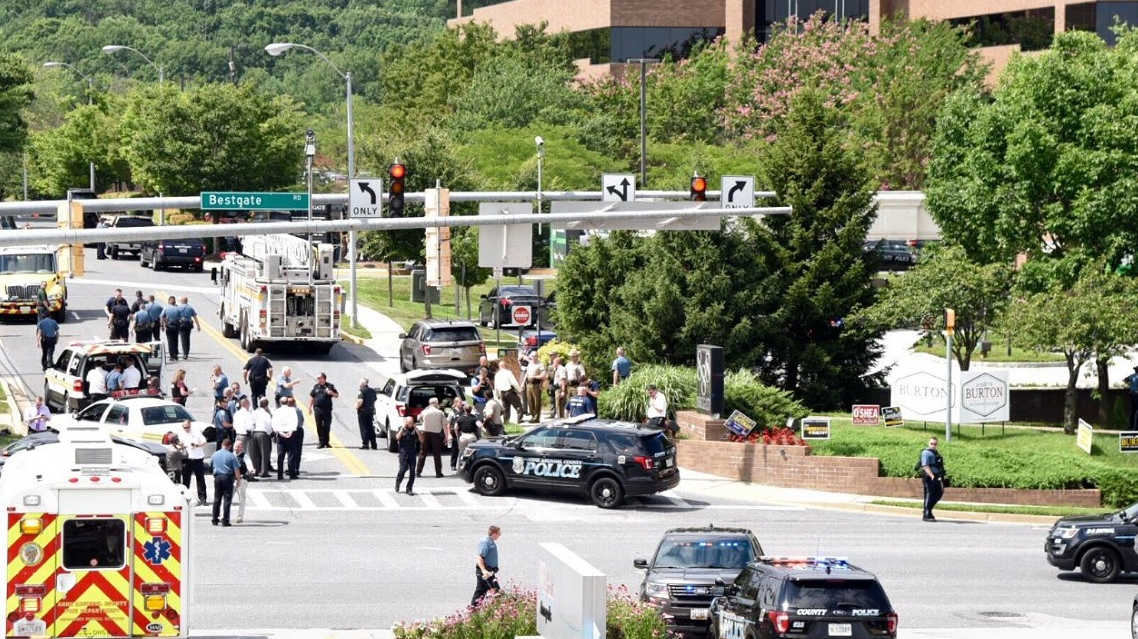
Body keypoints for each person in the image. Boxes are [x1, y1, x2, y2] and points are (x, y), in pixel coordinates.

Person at [210, 438, 241, 527]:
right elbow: (236, 470)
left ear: (222, 445)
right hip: (227, 477)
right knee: (227, 499)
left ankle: (214, 519)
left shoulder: (215, 454)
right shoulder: (231, 456)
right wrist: (238, 480)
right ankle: (225, 520)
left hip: (218, 477)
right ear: (230, 446)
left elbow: (211, 466)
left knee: (217, 499)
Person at [176, 420, 208, 506]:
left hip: (198, 458)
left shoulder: (196, 432)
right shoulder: (181, 434)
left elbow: (205, 442)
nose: (186, 429)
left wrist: (196, 445)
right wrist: (181, 446)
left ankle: (203, 498)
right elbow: (180, 445)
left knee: (200, 479)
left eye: (188, 427)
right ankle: (185, 498)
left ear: (190, 426)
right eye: (185, 427)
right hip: (187, 459)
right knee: (186, 479)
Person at [471, 525, 502, 607]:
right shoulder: (485, 542)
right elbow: (479, 557)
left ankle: (473, 610)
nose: (500, 535)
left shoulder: (491, 542)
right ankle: (497, 612)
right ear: (494, 533)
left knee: (481, 592)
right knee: (497, 593)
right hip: (485, 573)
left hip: (489, 572)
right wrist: (484, 570)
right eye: (499, 533)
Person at [272, 396, 302, 480]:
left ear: (280, 403)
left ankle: (280, 475)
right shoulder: (292, 410)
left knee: (280, 455)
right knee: (291, 454)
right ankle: (292, 474)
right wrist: (291, 432)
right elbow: (295, 422)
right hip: (290, 434)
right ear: (287, 402)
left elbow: (274, 423)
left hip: (281, 435)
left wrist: (280, 432)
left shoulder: (277, 411)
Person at [417, 397, 447, 478]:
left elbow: (418, 418)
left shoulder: (425, 411)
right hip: (436, 434)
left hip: (425, 433)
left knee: (423, 452)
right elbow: (444, 425)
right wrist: (446, 436)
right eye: (437, 403)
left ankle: (418, 471)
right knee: (437, 454)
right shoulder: (440, 412)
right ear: (435, 403)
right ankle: (438, 473)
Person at [309, 373, 339, 449]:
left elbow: (337, 395)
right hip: (318, 409)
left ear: (323, 378)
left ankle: (327, 442)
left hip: (327, 409)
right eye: (317, 378)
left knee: (326, 426)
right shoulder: (316, 386)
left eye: (319, 378)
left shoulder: (330, 386)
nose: (317, 379)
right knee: (319, 425)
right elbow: (312, 397)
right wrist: (309, 407)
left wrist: (331, 393)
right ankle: (321, 442)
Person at [919, 437, 945, 522]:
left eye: (935, 444)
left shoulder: (935, 452)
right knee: (929, 494)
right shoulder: (926, 452)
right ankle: (927, 514)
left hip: (936, 476)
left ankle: (928, 510)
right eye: (931, 444)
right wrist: (931, 475)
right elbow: (925, 466)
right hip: (929, 476)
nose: (933, 445)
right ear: (928, 443)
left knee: (939, 493)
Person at [394, 416, 420, 495]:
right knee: (403, 469)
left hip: (412, 451)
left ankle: (409, 488)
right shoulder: (402, 429)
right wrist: (403, 428)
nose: (411, 424)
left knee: (412, 471)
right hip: (403, 452)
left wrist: (417, 430)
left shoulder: (414, 430)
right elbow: (397, 437)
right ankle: (398, 482)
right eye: (409, 423)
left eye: (412, 423)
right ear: (406, 423)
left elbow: (422, 440)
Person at [250, 398, 275, 477]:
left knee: (255, 454)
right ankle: (264, 472)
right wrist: (269, 434)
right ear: (267, 405)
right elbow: (269, 426)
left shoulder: (255, 412)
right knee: (264, 453)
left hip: (254, 433)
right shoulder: (266, 414)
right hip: (263, 433)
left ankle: (256, 470)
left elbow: (252, 422)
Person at [493, 362, 524, 426]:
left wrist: (497, 394)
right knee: (518, 405)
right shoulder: (508, 373)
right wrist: (519, 389)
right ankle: (519, 419)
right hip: (509, 392)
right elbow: (514, 382)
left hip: (502, 393)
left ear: (499, 366)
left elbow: (496, 386)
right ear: (505, 365)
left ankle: (506, 422)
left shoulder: (497, 374)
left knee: (506, 408)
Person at [523, 352, 546, 423]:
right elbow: (527, 374)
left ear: (537, 356)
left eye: (535, 356)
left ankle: (536, 418)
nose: (533, 358)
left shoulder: (540, 365)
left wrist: (534, 377)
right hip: (528, 384)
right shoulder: (530, 364)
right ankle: (533, 416)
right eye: (532, 356)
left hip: (536, 384)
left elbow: (543, 375)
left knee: (537, 402)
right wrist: (523, 383)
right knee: (530, 402)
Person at [232, 439, 252, 523]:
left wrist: (251, 470)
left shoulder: (245, 456)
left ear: (242, 448)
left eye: (239, 447)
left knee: (242, 498)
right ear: (233, 447)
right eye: (236, 446)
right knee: (227, 498)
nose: (237, 448)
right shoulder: (230, 455)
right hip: (231, 480)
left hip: (242, 480)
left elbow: (250, 465)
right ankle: (223, 515)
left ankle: (240, 516)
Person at [356, 378, 378, 450]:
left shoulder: (361, 391)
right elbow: (375, 399)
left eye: (360, 384)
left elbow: (360, 400)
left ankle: (365, 444)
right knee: (370, 427)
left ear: (362, 384)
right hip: (370, 411)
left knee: (364, 427)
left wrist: (356, 406)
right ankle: (374, 444)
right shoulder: (372, 391)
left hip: (363, 411)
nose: (359, 385)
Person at [162, 296, 180, 360]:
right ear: (175, 301)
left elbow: (162, 317)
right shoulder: (178, 308)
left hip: (169, 326)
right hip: (176, 326)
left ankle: (171, 356)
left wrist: (163, 325)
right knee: (175, 340)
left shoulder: (166, 308)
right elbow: (181, 317)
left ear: (169, 301)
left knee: (170, 341)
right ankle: (175, 354)